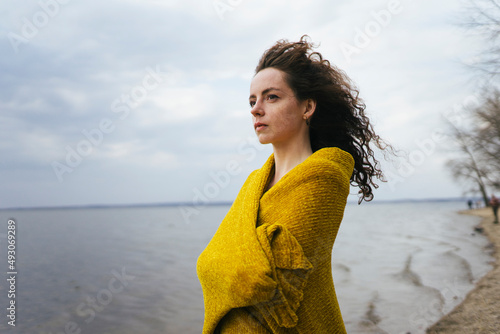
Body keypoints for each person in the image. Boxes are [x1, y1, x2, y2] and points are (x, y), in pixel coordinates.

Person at [197, 35, 391, 333]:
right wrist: (231, 259)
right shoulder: (253, 183)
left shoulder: (324, 176)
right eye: (252, 100)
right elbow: (212, 263)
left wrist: (227, 259)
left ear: (307, 107)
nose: (256, 109)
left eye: (271, 97)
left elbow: (265, 281)